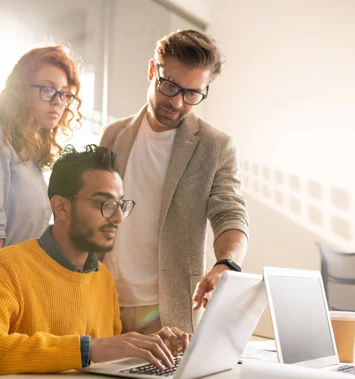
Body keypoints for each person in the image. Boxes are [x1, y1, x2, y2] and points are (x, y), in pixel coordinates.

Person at [0, 145, 190, 379]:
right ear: (61, 207)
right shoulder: (8, 265)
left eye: (120, 205)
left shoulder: (102, 277)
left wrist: (145, 348)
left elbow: (103, 358)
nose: (117, 218)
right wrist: (84, 350)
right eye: (104, 204)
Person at [100, 30, 249, 334]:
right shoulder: (113, 135)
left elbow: (230, 213)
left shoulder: (215, 146)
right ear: (153, 70)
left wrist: (226, 263)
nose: (178, 102)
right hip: (102, 302)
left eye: (192, 94)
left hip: (168, 311)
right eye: (169, 86)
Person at [0, 45, 83, 320]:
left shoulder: (30, 156)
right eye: (47, 89)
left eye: (64, 93)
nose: (58, 101)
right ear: (22, 91)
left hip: (20, 283)